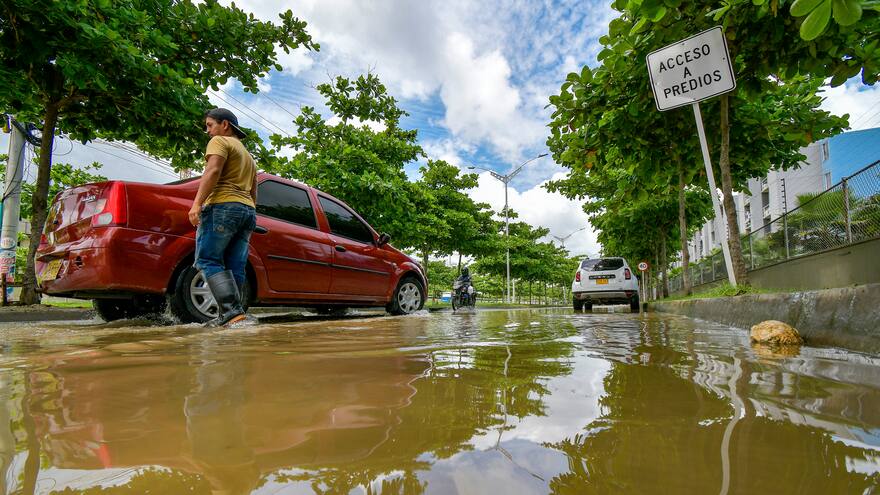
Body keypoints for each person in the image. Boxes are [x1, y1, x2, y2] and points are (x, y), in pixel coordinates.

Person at [188, 108, 257, 327]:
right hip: (247, 210)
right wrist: (248, 209)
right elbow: (254, 190)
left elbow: (213, 170)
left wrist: (197, 203)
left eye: (210, 125)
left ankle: (230, 313)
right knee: (235, 266)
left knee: (208, 259)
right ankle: (233, 317)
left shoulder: (220, 141)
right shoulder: (249, 156)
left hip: (223, 206)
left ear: (224, 125)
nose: (208, 131)